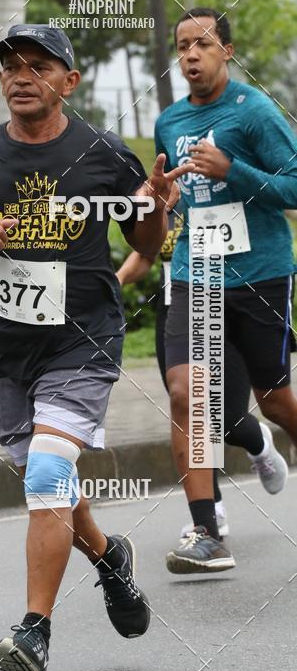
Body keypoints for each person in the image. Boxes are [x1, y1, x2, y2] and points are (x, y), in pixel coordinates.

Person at [0, 23, 191, 671]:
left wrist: (157, 206)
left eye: (39, 66)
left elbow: (148, 239)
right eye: (11, 65)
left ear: (68, 82)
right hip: (8, 349)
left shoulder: (104, 155)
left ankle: (33, 631)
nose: (21, 76)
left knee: (47, 472)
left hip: (85, 340)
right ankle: (108, 557)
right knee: (49, 485)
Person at [154, 7, 295, 575]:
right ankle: (207, 532)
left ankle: (263, 438)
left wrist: (233, 170)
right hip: (197, 274)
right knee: (187, 392)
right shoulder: (168, 121)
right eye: (183, 45)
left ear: (226, 52)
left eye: (203, 44)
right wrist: (158, 198)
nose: (191, 55)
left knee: (274, 399)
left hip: (261, 275)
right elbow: (173, 195)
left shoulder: (255, 112)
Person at [117, 206, 289, 541]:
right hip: (177, 309)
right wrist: (118, 278)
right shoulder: (164, 203)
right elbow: (145, 255)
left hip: (228, 302)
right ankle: (213, 514)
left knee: (227, 419)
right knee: (190, 407)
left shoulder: (222, 197)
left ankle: (259, 444)